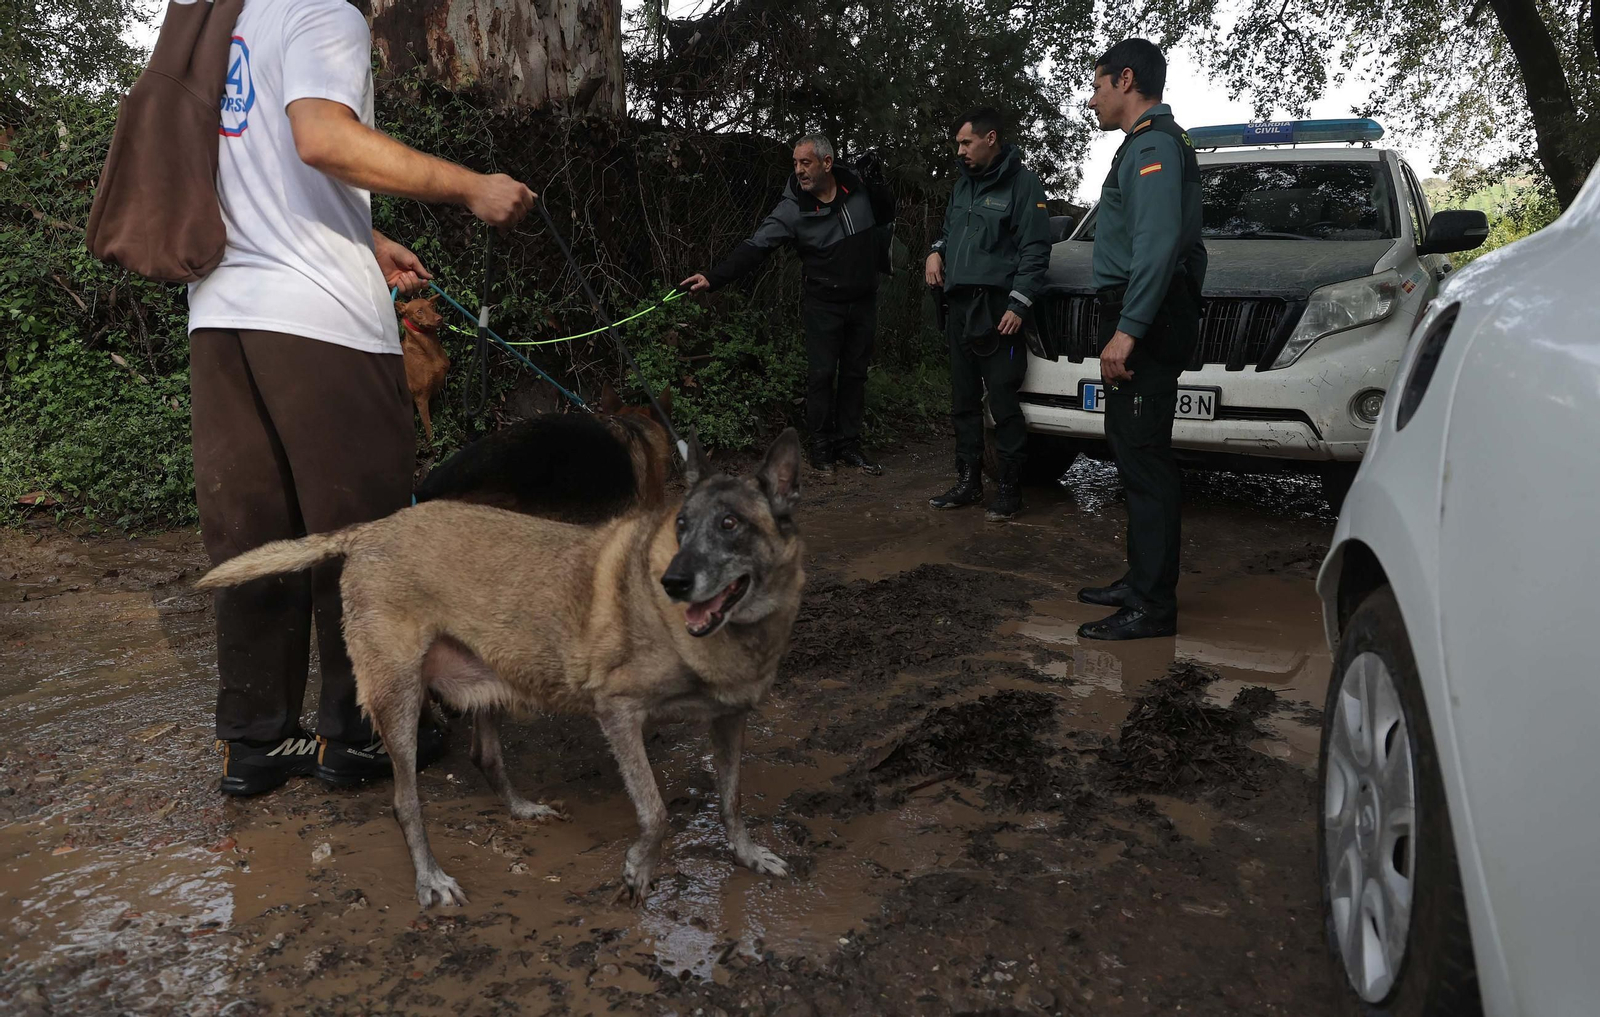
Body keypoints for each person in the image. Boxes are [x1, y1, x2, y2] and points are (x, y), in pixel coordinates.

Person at [193, 0, 536, 795]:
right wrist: (472, 188)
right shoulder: (323, 9)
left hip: (219, 318)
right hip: (318, 322)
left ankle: (256, 741)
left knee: (256, 538)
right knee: (366, 538)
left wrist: (367, 237)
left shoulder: (233, 21)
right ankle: (360, 733)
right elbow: (321, 137)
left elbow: (257, 169)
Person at [1076, 38, 1207, 641]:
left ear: (1126, 80)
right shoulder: (1149, 144)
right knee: (1130, 449)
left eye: (1098, 85)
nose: (1093, 98)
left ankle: (1153, 607)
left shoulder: (1153, 145)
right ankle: (1140, 580)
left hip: (1145, 319)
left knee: (1146, 461)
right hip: (1144, 312)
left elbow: (1155, 246)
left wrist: (1127, 331)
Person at [681, 135, 888, 475]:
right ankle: (821, 450)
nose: (799, 170)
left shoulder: (857, 186)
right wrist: (713, 278)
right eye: (795, 163)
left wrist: (879, 186)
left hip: (863, 300)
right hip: (824, 303)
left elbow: (885, 213)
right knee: (821, 376)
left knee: (855, 375)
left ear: (826, 162)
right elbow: (755, 247)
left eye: (805, 163)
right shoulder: (793, 208)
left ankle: (848, 444)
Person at [924, 107, 1051, 521]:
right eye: (958, 144)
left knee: (1002, 400)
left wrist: (1019, 303)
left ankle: (1010, 488)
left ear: (990, 138)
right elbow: (949, 230)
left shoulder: (1023, 183)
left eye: (966, 142)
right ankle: (967, 482)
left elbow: (1036, 249)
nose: (959, 151)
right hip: (960, 306)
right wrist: (935, 251)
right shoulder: (963, 186)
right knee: (963, 400)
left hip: (999, 311)